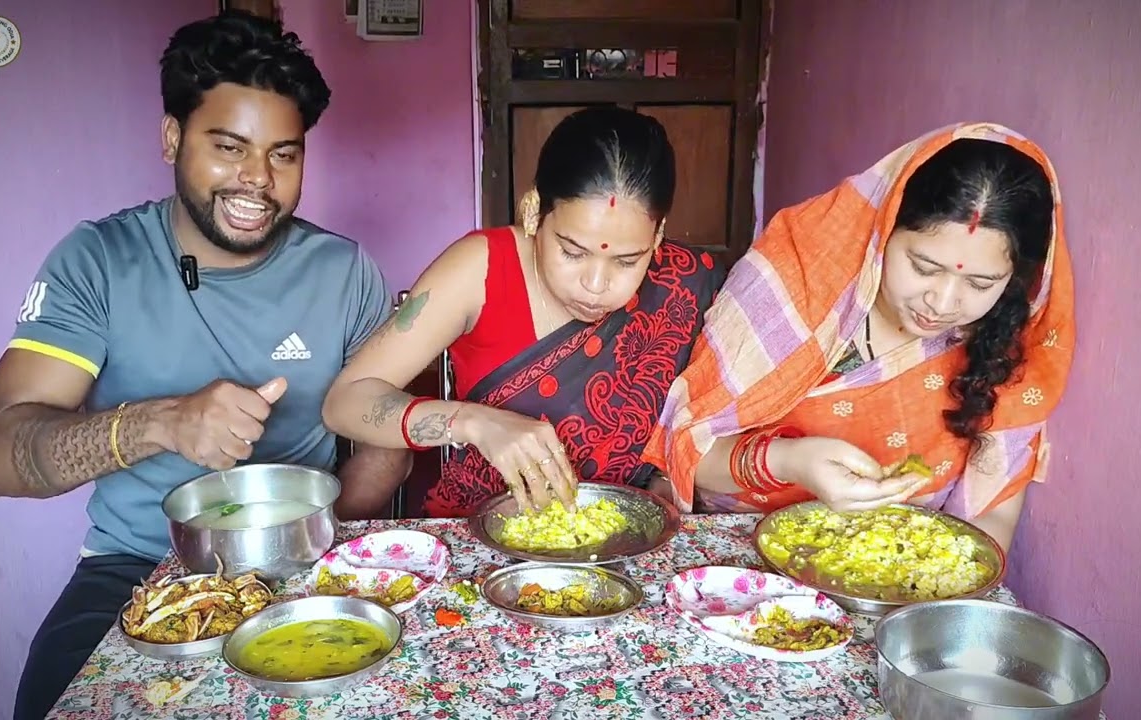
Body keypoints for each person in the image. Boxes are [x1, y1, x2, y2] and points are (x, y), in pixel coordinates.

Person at [0, 12, 409, 720]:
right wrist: (163, 423)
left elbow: (387, 436)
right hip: (133, 570)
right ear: (173, 137)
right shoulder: (99, 261)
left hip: (303, 572)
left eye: (284, 155)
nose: (257, 180)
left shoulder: (343, 270)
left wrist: (324, 543)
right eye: (229, 147)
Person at [644, 123, 1075, 552]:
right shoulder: (795, 287)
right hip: (741, 551)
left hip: (900, 569)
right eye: (923, 268)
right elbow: (688, 454)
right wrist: (792, 462)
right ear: (882, 228)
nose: (942, 303)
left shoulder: (1009, 338)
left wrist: (936, 580)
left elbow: (993, 507)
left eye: (980, 284)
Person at [323, 106, 726, 517]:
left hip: (628, 528)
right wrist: (474, 422)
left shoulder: (686, 284)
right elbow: (345, 403)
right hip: (480, 530)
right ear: (533, 211)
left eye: (626, 261)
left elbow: (706, 428)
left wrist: (667, 481)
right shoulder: (479, 270)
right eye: (572, 251)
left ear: (657, 235)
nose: (596, 284)